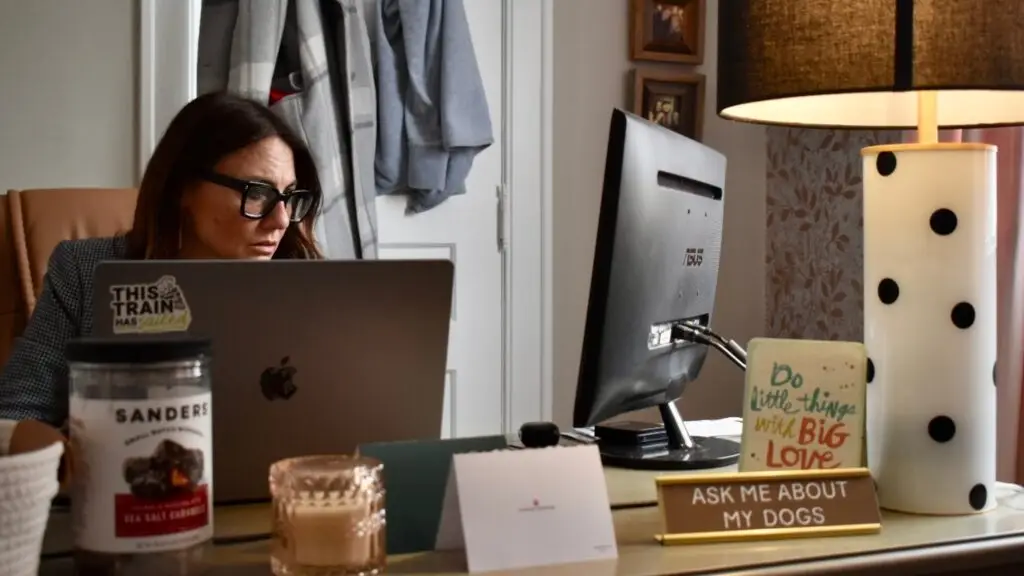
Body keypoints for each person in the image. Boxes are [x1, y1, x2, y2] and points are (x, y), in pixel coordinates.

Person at [0, 92, 325, 459]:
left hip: (279, 495)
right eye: (258, 192)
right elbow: (15, 415)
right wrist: (72, 467)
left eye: (288, 196)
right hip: (133, 498)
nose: (281, 220)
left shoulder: (307, 283)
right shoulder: (85, 270)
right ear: (183, 188)